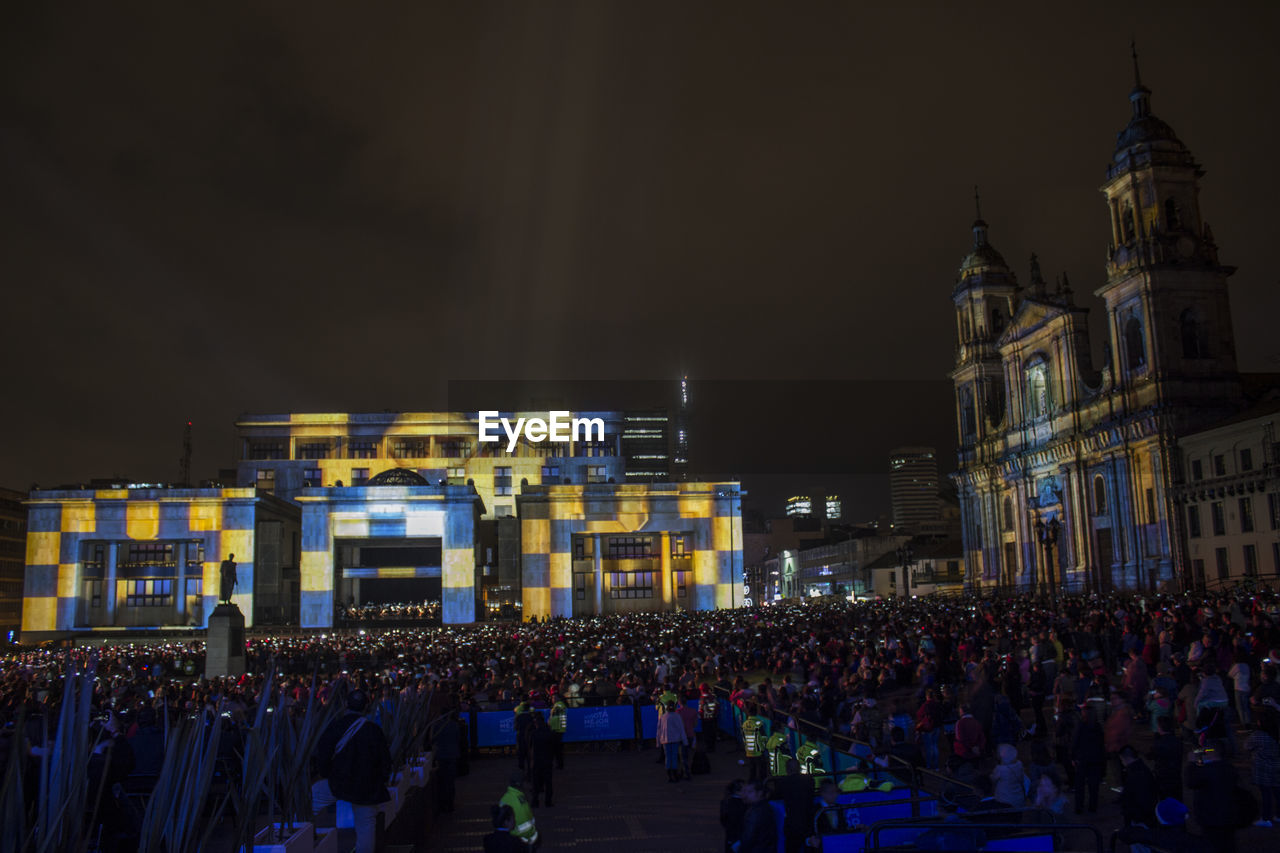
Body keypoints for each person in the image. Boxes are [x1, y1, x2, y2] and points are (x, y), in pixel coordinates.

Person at [312, 689, 391, 853]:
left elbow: (323, 755)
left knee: (310, 800)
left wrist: (328, 775)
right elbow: (385, 760)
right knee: (366, 825)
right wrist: (381, 779)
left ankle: (309, 839)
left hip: (340, 783)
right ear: (366, 707)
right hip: (367, 786)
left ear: (346, 705)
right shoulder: (373, 730)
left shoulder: (335, 727)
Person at [1185, 741, 1238, 853]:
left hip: (1211, 816)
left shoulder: (1209, 771)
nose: (1204, 753)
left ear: (1212, 753)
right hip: (1229, 815)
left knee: (1212, 844)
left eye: (1206, 751)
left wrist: (1192, 763)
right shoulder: (1229, 768)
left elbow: (1191, 782)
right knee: (1228, 843)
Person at [1071, 703, 1105, 815]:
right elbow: (1101, 744)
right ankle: (1092, 806)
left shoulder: (1081, 726)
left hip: (1082, 759)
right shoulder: (1097, 727)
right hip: (1095, 759)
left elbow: (1075, 742)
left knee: (1080, 785)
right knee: (1093, 785)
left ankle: (1079, 807)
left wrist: (1072, 756)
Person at [1244, 725, 1280, 827]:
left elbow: (1246, 746)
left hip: (1262, 768)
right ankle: (1278, 814)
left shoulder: (1259, 735)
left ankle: (1266, 817)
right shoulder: (1276, 733)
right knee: (1277, 791)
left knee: (1266, 794)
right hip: (1277, 765)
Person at [1117, 745, 1157, 827]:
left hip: (1138, 815)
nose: (1122, 762)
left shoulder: (1135, 773)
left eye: (1121, 759)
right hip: (1143, 812)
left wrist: (1124, 792)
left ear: (1126, 758)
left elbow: (1136, 795)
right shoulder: (1141, 769)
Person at [497, 772, 538, 849]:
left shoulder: (505, 798)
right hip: (521, 841)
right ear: (520, 784)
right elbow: (527, 825)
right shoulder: (520, 800)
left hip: (507, 838)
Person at [433, 708, 462, 812]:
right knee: (450, 781)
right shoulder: (454, 725)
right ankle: (450, 804)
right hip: (452, 755)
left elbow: (433, 740)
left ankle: (442, 804)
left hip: (441, 755)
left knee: (442, 781)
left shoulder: (436, 726)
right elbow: (458, 738)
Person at [738, 780, 778, 853]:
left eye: (750, 792)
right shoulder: (765, 807)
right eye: (745, 791)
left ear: (759, 793)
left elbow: (749, 836)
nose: (746, 795)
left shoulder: (756, 811)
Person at [657, 700, 688, 783]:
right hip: (675, 739)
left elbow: (659, 730)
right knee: (674, 757)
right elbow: (681, 729)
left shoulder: (663, 717)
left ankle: (669, 776)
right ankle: (674, 774)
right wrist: (685, 741)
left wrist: (658, 741)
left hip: (665, 740)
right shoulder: (677, 716)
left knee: (668, 757)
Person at [528, 712, 555, 807]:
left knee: (535, 782)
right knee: (548, 782)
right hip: (547, 760)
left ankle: (535, 801)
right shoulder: (549, 733)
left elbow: (530, 746)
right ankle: (548, 801)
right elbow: (553, 747)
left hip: (536, 760)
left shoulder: (534, 733)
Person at [990, 743, 1028, 808]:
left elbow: (992, 779)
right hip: (1019, 798)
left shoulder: (1000, 769)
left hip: (1004, 800)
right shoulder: (1019, 764)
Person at [720, 779, 747, 853]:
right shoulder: (741, 805)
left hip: (731, 837)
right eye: (745, 790)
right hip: (737, 838)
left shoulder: (726, 801)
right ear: (738, 792)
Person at [699, 684, 720, 752]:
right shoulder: (713, 696)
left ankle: (708, 747)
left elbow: (700, 709)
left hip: (705, 719)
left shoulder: (702, 698)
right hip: (713, 718)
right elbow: (717, 706)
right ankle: (712, 747)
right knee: (712, 733)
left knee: (706, 734)